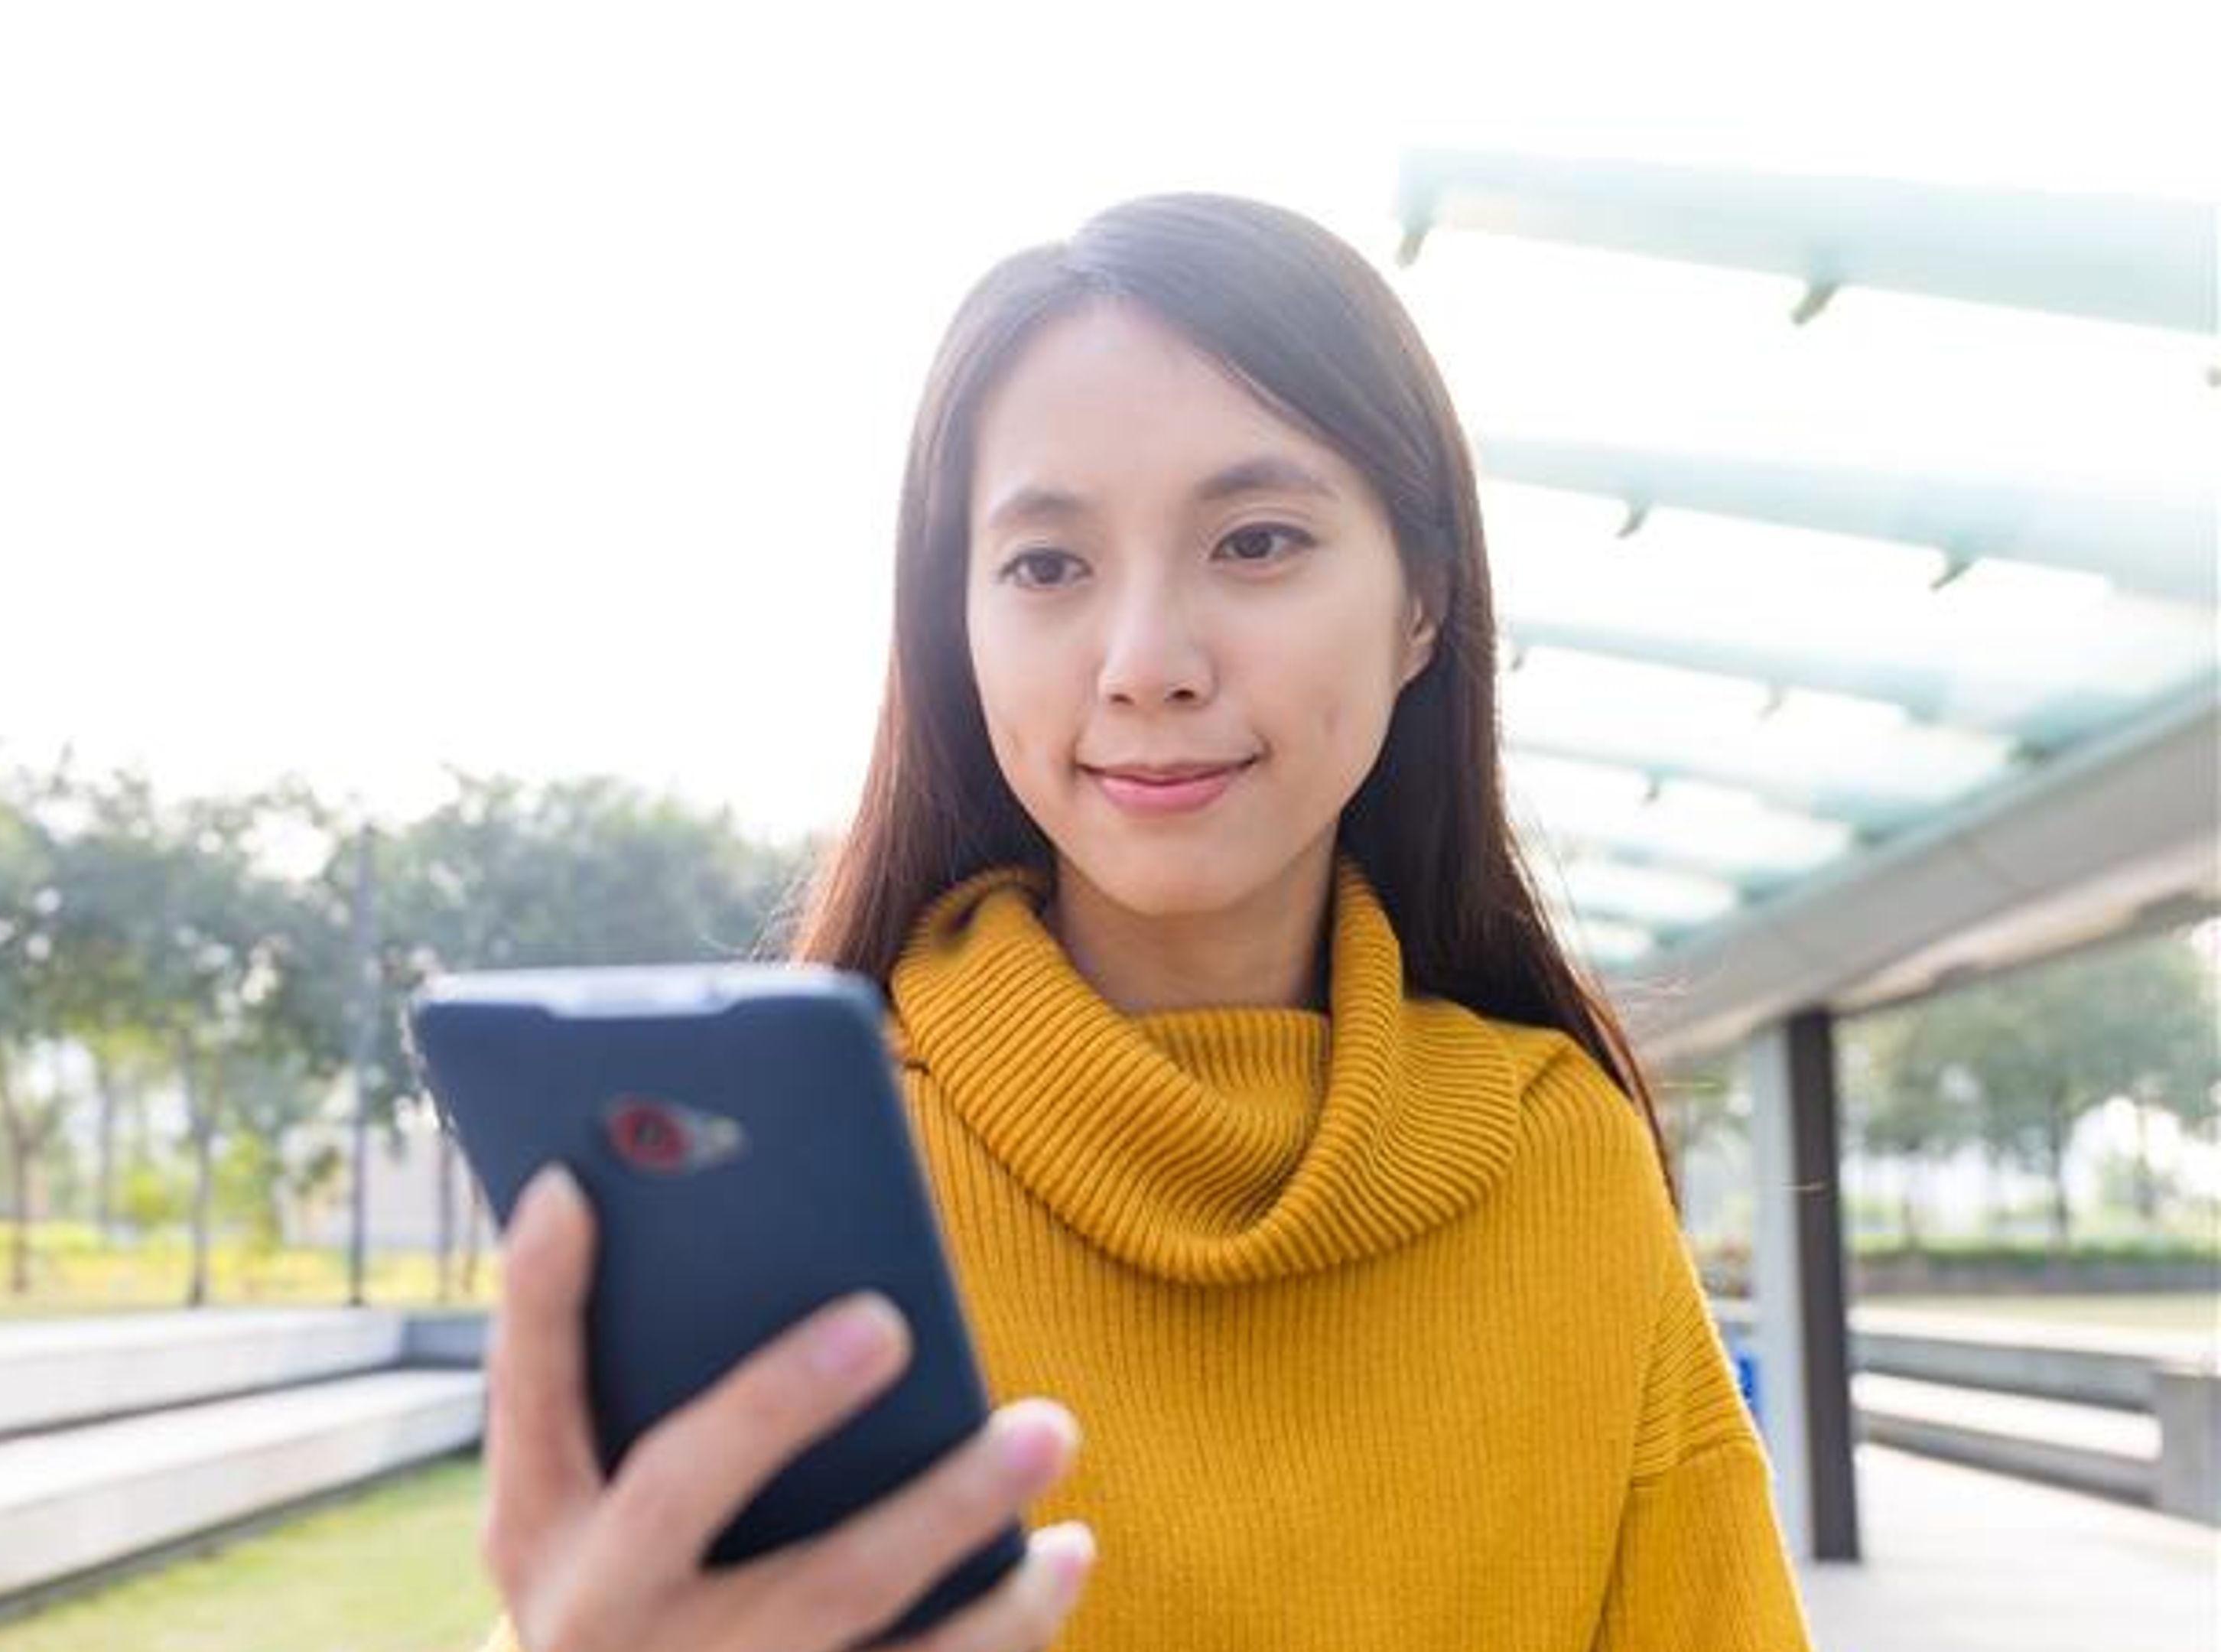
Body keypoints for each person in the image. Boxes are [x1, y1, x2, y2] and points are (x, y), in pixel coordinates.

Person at [471, 193, 1815, 1651]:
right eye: (1048, 566)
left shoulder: (1564, 1163)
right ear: (958, 629)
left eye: (1256, 541)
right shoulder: (790, 1199)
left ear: (1423, 605)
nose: (1145, 663)